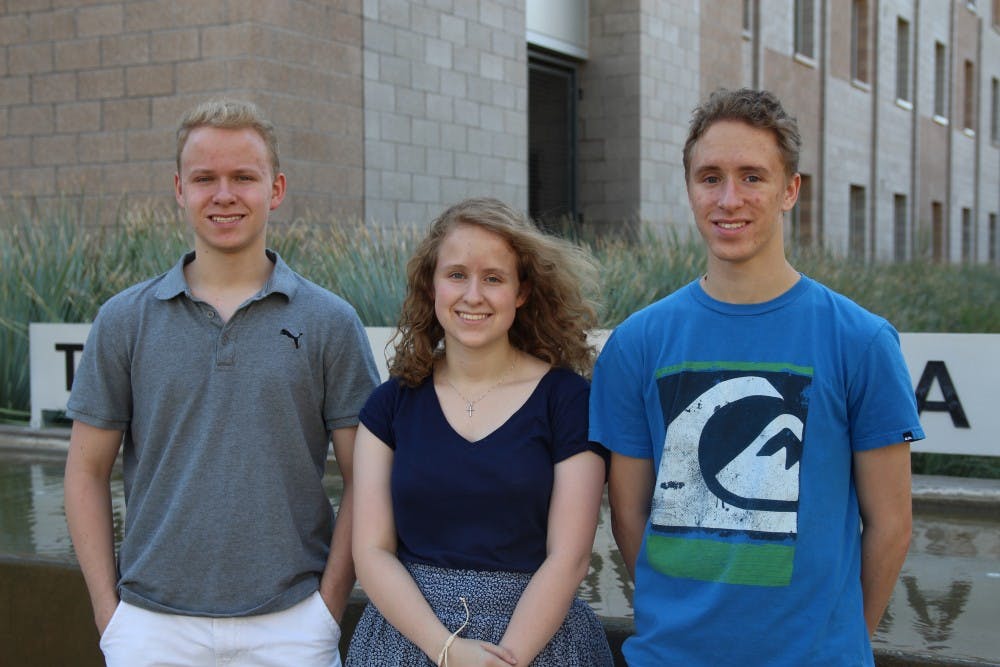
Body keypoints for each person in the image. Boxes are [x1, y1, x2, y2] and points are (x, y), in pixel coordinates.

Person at [589, 88, 924, 666]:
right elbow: (629, 514)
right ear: (690, 188)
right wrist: (685, 615)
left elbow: (891, 526)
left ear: (790, 189)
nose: (729, 199)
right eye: (710, 177)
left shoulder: (860, 341)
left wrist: (837, 643)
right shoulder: (638, 343)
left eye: (752, 177)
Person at [63, 99, 379, 666]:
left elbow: (367, 479)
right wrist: (110, 616)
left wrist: (328, 609)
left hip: (292, 626)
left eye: (244, 177)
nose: (224, 194)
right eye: (205, 178)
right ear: (179, 189)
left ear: (276, 188)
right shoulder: (124, 320)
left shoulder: (330, 321)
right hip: (150, 628)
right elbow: (86, 470)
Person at [345, 198, 614, 667]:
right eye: (456, 275)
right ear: (432, 286)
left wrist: (506, 660)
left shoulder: (567, 402)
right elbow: (371, 551)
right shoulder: (389, 406)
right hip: (408, 641)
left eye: (493, 278)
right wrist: (445, 650)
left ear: (522, 291)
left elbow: (568, 558)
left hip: (539, 644)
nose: (473, 295)